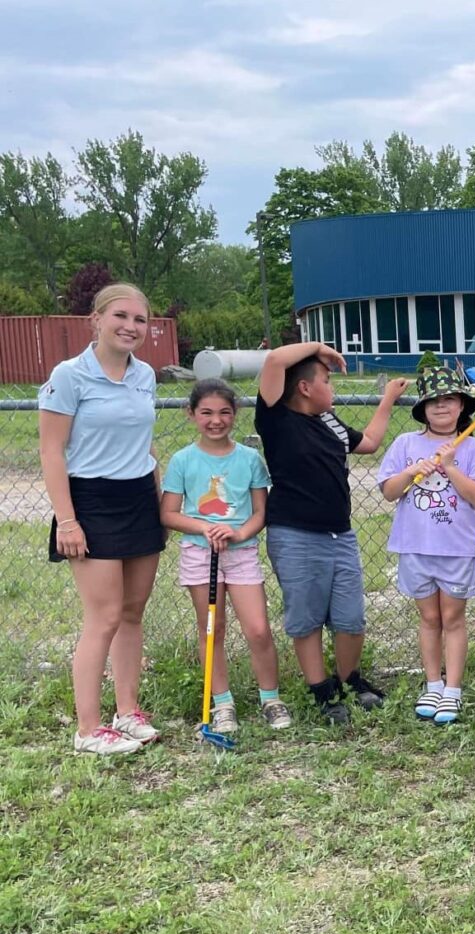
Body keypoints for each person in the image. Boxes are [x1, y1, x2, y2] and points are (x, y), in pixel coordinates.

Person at [255, 341, 410, 725]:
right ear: (305, 387)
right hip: (295, 534)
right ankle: (322, 691)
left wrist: (387, 399)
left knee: (350, 619)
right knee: (306, 619)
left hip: (341, 535)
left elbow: (370, 443)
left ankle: (349, 679)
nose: (333, 387)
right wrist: (321, 347)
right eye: (327, 380)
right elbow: (275, 360)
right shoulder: (276, 420)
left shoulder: (330, 422)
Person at [40, 284, 166, 755]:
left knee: (133, 612)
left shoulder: (146, 375)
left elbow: (144, 444)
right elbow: (52, 451)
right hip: (89, 500)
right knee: (105, 616)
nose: (131, 326)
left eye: (139, 319)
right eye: (121, 316)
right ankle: (88, 729)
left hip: (138, 497)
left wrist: (159, 498)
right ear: (96, 318)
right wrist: (67, 520)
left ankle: (127, 712)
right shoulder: (69, 376)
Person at [160, 379, 290, 732]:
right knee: (212, 629)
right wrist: (204, 528)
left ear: (235, 415)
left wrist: (239, 532)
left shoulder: (249, 459)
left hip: (241, 552)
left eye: (224, 413)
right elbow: (169, 514)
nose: (216, 420)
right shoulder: (183, 460)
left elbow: (260, 512)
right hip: (201, 554)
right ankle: (222, 703)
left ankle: (271, 699)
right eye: (206, 413)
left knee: (259, 630)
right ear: (191, 414)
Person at [377, 367, 475, 726]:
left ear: (462, 405)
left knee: (453, 619)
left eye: (449, 400)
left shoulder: (473, 446)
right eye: (433, 401)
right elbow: (388, 491)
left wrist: (451, 467)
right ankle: (433, 683)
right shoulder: (405, 445)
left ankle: (453, 689)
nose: (442, 407)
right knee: (429, 618)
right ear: (423, 408)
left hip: (456, 550)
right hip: (415, 547)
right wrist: (415, 471)